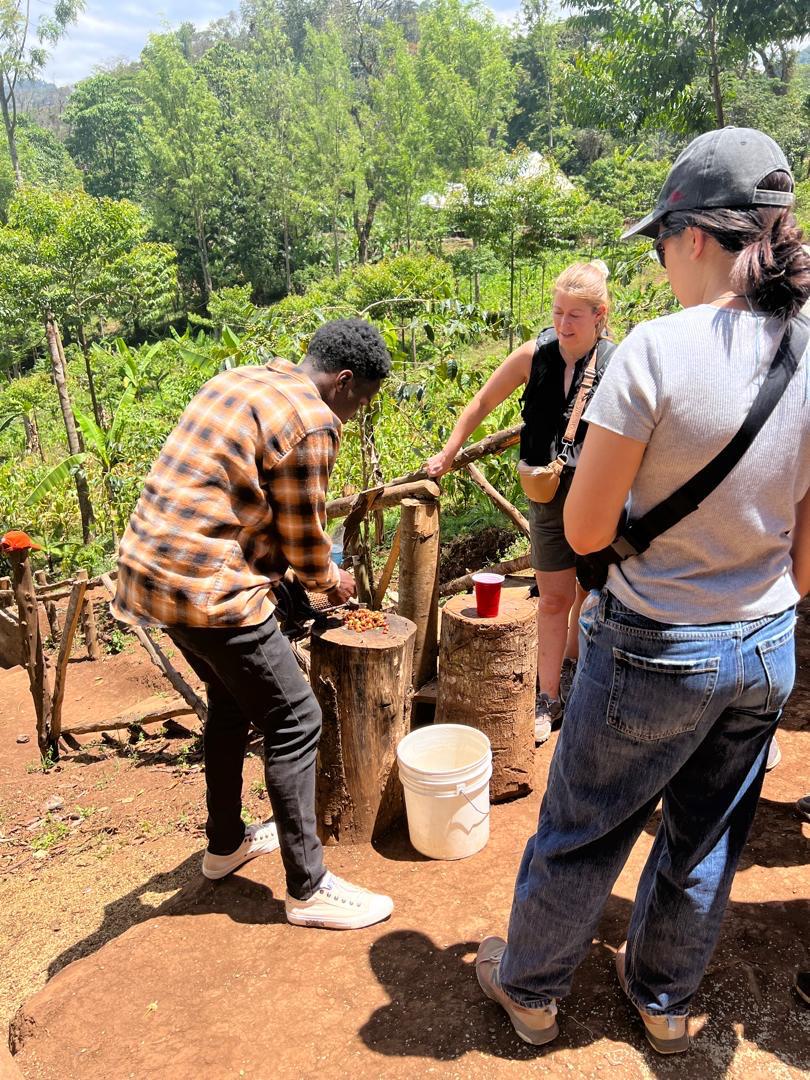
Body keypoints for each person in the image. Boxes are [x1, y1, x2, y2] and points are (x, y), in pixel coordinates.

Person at [475, 127, 810, 1053]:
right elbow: (807, 563)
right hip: (766, 647)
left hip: (657, 644)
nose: (662, 260)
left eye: (661, 240)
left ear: (695, 235)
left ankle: (533, 991)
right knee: (706, 837)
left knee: (582, 826)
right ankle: (665, 1003)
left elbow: (583, 531)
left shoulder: (655, 352)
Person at [112, 318, 395, 931]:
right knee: (296, 720)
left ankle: (224, 845)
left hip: (148, 573)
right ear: (344, 382)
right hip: (206, 587)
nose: (357, 414)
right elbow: (304, 540)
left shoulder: (244, 379)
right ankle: (309, 886)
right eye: (363, 400)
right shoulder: (314, 421)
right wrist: (330, 583)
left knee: (230, 701)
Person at [425, 261, 615, 743]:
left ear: (600, 315)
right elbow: (481, 403)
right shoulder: (535, 355)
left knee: (591, 594)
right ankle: (547, 696)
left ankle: (577, 676)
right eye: (557, 312)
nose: (564, 324)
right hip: (546, 493)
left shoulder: (619, 362)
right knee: (553, 598)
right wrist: (449, 452)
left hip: (598, 495)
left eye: (575, 315)